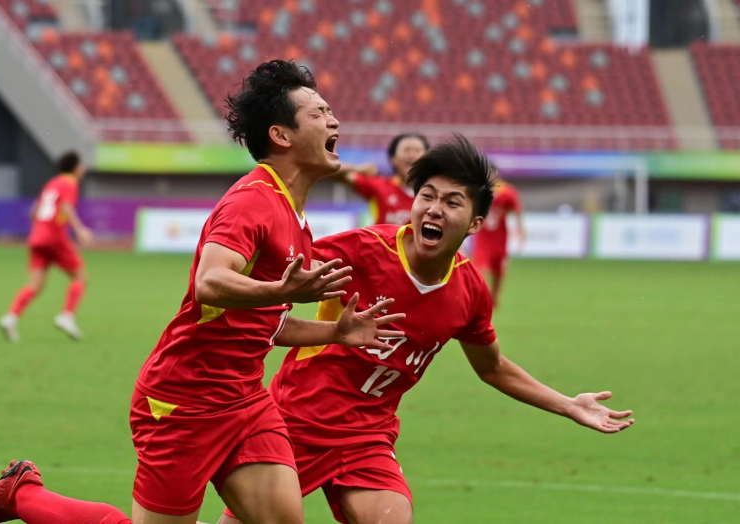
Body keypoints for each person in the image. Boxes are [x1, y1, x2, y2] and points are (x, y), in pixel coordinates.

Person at [0, 60, 406, 524]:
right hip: (182, 401)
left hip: (244, 399)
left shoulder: (293, 214)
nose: (334, 120)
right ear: (282, 135)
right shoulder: (253, 200)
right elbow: (209, 283)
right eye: (318, 112)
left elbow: (260, 323)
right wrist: (281, 287)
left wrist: (334, 331)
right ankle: (23, 494)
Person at [219, 135, 634, 524]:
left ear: (474, 223)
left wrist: (568, 404)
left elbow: (493, 368)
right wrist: (229, 272)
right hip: (294, 424)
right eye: (427, 196)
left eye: (452, 202)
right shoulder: (360, 251)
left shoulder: (470, 291)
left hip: (367, 439)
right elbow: (272, 285)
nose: (434, 209)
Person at [0, 151, 92, 342]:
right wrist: (80, 230)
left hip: (37, 236)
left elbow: (34, 211)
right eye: (81, 165)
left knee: (34, 285)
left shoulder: (51, 183)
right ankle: (67, 316)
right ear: (74, 168)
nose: (83, 169)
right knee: (80, 276)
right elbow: (66, 206)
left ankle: (10, 318)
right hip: (54, 236)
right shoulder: (69, 183)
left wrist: (40, 228)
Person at [335, 133, 429, 225]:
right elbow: (332, 172)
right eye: (406, 150)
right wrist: (357, 168)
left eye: (417, 150)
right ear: (393, 159)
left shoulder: (435, 192)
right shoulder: (378, 185)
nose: (411, 155)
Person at [470, 174, 524, 308]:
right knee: (481, 270)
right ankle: (482, 300)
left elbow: (516, 210)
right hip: (483, 240)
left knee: (498, 272)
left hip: (500, 240)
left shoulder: (507, 192)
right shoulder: (478, 191)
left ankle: (494, 295)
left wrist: (520, 229)